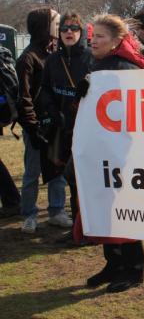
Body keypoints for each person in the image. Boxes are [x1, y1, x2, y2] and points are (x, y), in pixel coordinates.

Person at [81, 14, 144, 293]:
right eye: (93, 36)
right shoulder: (100, 64)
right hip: (103, 149)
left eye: (100, 36)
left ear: (116, 41)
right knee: (105, 207)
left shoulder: (125, 69)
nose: (94, 41)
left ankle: (134, 268)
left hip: (124, 152)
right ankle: (114, 263)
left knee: (126, 209)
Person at [16, 8, 72, 233]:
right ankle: (29, 214)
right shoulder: (28, 58)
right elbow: (24, 96)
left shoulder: (56, 53)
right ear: (43, 26)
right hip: (37, 126)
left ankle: (56, 211)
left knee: (57, 169)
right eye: (56, 22)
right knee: (32, 172)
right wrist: (31, 127)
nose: (61, 26)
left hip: (56, 123)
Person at [39, 12, 93, 228]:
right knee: (68, 177)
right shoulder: (53, 60)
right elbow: (44, 88)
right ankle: (77, 226)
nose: (69, 32)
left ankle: (87, 225)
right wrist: (52, 111)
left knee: (84, 177)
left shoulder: (91, 57)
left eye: (74, 28)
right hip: (62, 128)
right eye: (64, 29)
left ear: (81, 32)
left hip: (87, 128)